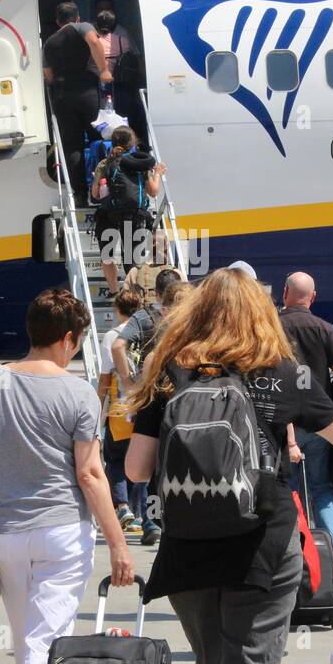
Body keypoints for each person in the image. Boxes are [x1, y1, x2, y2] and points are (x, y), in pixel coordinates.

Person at [123, 267, 333, 664]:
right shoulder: (281, 372)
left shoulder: (169, 372)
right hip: (262, 543)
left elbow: (136, 469)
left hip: (188, 544)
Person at [0, 288, 134, 664]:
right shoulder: (79, 393)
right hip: (61, 532)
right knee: (47, 642)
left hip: (4, 534)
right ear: (68, 339)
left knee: (28, 640)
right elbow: (89, 473)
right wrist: (118, 544)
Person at [277, 272, 333, 568]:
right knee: (323, 488)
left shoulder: (273, 327)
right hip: (321, 420)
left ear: (285, 293)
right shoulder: (325, 328)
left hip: (283, 421)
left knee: (289, 488)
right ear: (313, 297)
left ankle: (296, 551)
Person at [96, 286, 157, 544]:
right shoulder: (149, 330)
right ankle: (148, 517)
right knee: (145, 462)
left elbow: (104, 378)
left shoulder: (112, 337)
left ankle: (123, 507)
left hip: (121, 407)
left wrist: (98, 407)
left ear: (117, 309)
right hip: (145, 405)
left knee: (116, 458)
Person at [43, 2, 112, 207]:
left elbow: (48, 75)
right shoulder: (83, 27)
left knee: (72, 145)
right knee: (98, 137)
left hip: (62, 96)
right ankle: (103, 188)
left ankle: (80, 194)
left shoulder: (49, 43)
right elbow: (94, 42)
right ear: (78, 17)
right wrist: (104, 70)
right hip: (86, 92)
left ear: (57, 21)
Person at [90, 125, 165, 296]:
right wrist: (158, 173)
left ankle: (115, 292)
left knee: (107, 256)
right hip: (135, 214)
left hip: (109, 214)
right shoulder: (140, 163)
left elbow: (95, 195)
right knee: (131, 259)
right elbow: (153, 191)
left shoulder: (105, 163)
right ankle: (133, 295)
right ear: (132, 144)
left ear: (111, 142)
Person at [111, 267, 181, 396]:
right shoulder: (190, 315)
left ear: (156, 292)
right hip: (181, 388)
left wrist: (128, 385)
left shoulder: (142, 316)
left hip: (151, 389)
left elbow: (117, 346)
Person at [92, 0, 147, 146]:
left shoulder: (91, 35)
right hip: (120, 84)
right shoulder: (122, 36)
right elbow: (134, 56)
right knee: (122, 118)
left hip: (100, 85)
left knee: (102, 121)